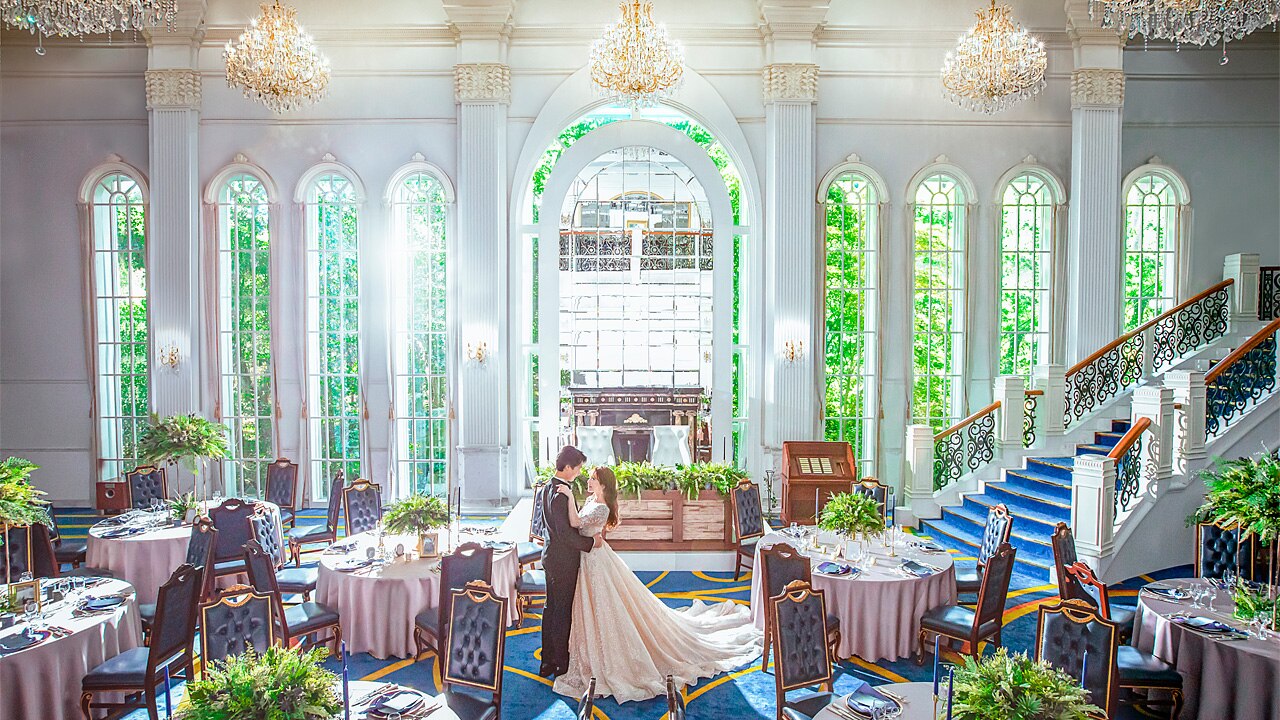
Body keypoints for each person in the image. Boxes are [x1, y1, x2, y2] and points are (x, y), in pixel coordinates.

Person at [551, 466, 763, 703]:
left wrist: (569, 497)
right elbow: (580, 526)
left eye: (593, 479)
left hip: (597, 562)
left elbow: (576, 521)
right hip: (589, 559)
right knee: (597, 607)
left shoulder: (601, 507)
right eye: (590, 477)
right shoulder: (592, 500)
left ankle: (610, 660)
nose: (588, 481)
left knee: (607, 606)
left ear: (603, 485)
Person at [537, 445, 599, 678]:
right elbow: (565, 534)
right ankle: (560, 664)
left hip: (549, 556)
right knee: (562, 611)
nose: (580, 472)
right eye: (579, 468)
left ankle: (546, 661)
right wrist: (591, 543)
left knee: (550, 609)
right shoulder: (561, 493)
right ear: (568, 467)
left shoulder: (545, 487)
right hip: (563, 561)